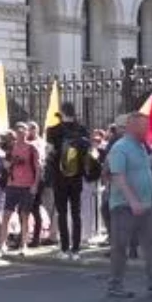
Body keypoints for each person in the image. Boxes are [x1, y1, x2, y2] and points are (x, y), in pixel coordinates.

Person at [105, 113, 152, 299]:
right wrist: (133, 200)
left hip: (145, 206)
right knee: (120, 246)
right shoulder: (120, 148)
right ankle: (115, 285)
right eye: (145, 126)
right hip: (124, 206)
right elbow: (118, 176)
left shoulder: (142, 146)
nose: (148, 130)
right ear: (133, 127)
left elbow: (142, 167)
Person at [46, 102, 90, 261]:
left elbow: (49, 154)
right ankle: (76, 249)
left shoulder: (53, 130)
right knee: (76, 213)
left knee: (62, 213)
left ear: (62, 113)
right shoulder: (83, 130)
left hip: (60, 176)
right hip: (77, 176)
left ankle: (64, 248)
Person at [0, 123, 40, 258]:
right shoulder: (11, 148)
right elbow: (5, 165)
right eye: (18, 132)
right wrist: (9, 164)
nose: (21, 134)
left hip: (27, 186)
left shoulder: (32, 148)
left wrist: (35, 185)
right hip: (12, 185)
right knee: (6, 215)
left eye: (23, 131)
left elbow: (38, 168)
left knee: (25, 216)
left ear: (27, 133)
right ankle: (2, 244)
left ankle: (23, 245)